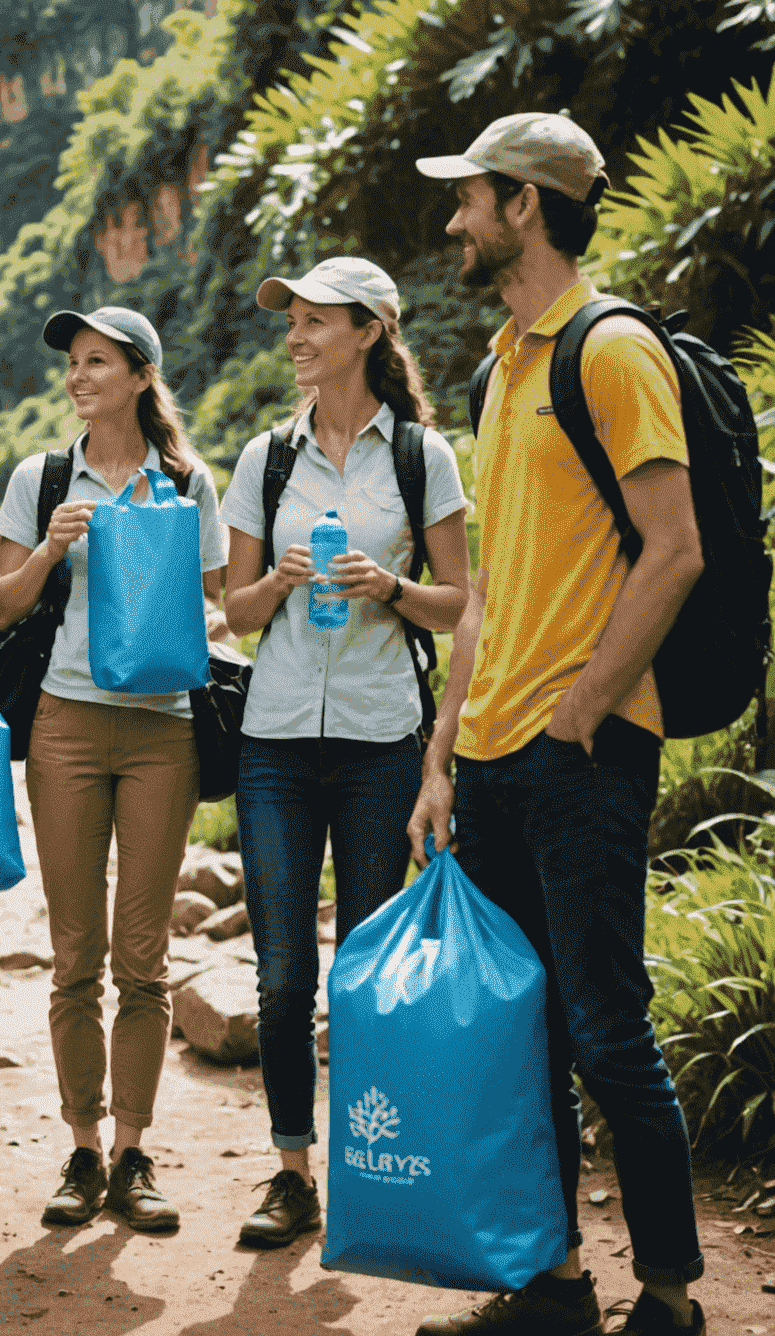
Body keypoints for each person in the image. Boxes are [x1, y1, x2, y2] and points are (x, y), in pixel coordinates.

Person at [407, 113, 705, 1336]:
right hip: (490, 760)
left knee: (605, 1024)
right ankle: (553, 1278)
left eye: (469, 198)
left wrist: (581, 708)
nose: (454, 219)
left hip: (579, 752)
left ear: (523, 203)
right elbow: (487, 591)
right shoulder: (502, 364)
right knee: (522, 1029)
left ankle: (673, 1295)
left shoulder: (612, 350)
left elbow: (674, 550)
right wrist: (443, 753)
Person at [218, 257, 470, 1250]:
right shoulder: (264, 459)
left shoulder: (420, 457)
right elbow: (232, 617)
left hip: (379, 743)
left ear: (368, 331)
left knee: (366, 972)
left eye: (316, 321)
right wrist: (280, 580)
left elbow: (464, 606)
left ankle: (373, 1167)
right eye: (293, 323)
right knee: (283, 979)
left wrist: (391, 588)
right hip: (274, 742)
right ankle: (292, 1174)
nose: (297, 338)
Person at [0, 307, 227, 1234]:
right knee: (75, 954)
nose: (79, 376)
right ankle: (83, 1150)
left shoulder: (187, 481)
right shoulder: (41, 478)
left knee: (144, 956)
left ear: (139, 376)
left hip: (163, 730)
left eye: (98, 362)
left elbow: (211, 613)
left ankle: (134, 1152)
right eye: (73, 363)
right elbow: (2, 610)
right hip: (65, 729)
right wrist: (52, 546)